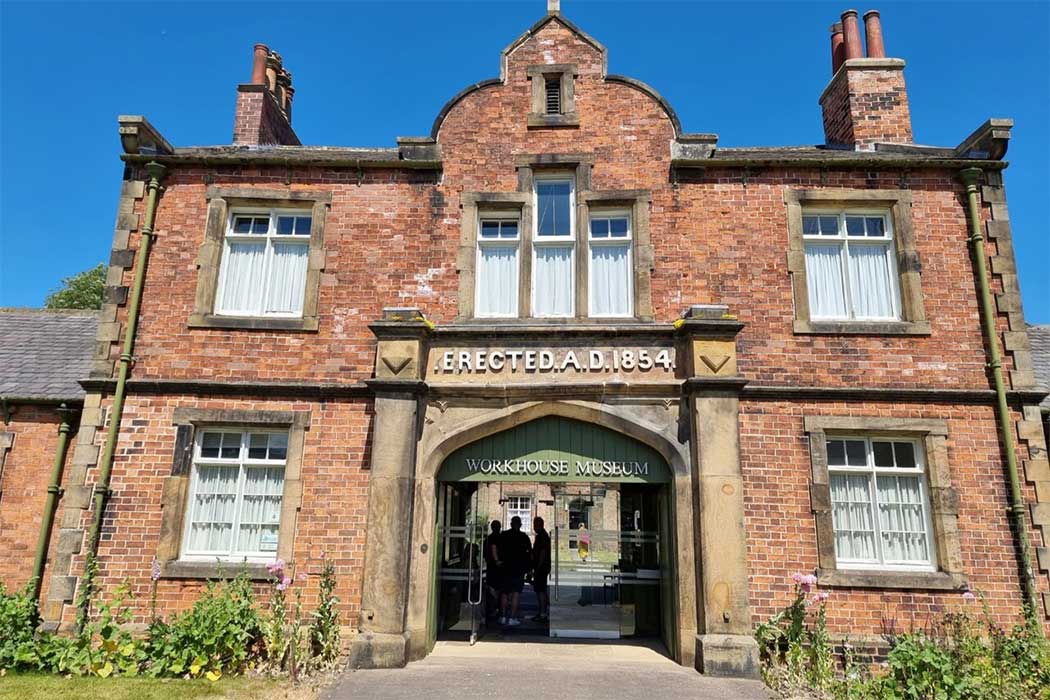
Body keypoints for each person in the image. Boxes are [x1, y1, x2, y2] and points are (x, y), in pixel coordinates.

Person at [497, 515, 532, 626]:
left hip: (505, 568)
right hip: (518, 569)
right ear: (520, 525)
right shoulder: (524, 537)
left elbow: (498, 549)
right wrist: (529, 569)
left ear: (511, 524)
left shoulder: (504, 535)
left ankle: (502, 617)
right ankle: (512, 618)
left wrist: (499, 561)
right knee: (516, 593)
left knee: (504, 593)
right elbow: (529, 553)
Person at [530, 516, 551, 623]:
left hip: (541, 568)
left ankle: (543, 613)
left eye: (535, 524)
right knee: (541, 589)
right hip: (542, 567)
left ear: (540, 525)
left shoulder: (542, 536)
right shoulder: (542, 535)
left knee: (540, 590)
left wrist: (538, 567)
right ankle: (543, 611)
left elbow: (542, 553)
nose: (533, 527)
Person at [483, 520, 502, 621]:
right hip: (497, 567)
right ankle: (495, 608)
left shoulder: (488, 538)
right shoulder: (498, 538)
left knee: (492, 587)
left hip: (491, 566)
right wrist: (497, 561)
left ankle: (493, 608)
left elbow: (485, 553)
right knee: (496, 588)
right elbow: (494, 548)